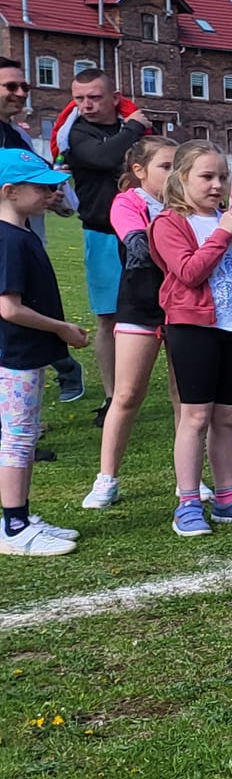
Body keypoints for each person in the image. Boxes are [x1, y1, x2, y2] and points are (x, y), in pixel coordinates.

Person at [148, 141, 232, 536]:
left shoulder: (228, 222)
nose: (217, 185)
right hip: (193, 329)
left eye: (222, 176)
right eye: (206, 176)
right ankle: (188, 502)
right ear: (182, 178)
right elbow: (190, 272)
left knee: (227, 418)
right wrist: (223, 235)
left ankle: (228, 497)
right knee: (195, 417)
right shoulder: (169, 223)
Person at [0, 150, 91, 556]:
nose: (50, 192)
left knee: (23, 435)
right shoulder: (9, 240)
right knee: (18, 439)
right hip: (14, 355)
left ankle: (20, 515)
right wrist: (61, 329)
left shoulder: (22, 234)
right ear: (9, 191)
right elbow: (9, 308)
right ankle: (14, 525)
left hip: (25, 353)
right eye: (39, 187)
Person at [81, 136, 179, 511]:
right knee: (126, 395)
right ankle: (106, 479)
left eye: (178, 166)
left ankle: (188, 478)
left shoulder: (186, 202)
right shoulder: (129, 202)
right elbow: (134, 238)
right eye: (165, 167)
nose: (174, 174)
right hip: (140, 306)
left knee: (184, 397)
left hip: (184, 307)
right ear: (139, 171)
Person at [59, 69, 151, 414]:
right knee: (109, 318)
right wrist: (134, 127)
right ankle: (113, 397)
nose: (86, 105)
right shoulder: (77, 133)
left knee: (157, 314)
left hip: (145, 234)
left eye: (94, 97)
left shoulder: (129, 127)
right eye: (79, 98)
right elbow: (104, 157)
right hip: (103, 235)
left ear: (114, 98)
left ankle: (156, 389)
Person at [0, 60, 87, 410]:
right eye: (11, 86)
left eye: (25, 86)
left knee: (23, 311)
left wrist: (56, 199)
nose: (21, 93)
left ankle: (56, 373)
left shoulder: (20, 137)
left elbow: (59, 193)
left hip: (21, 238)